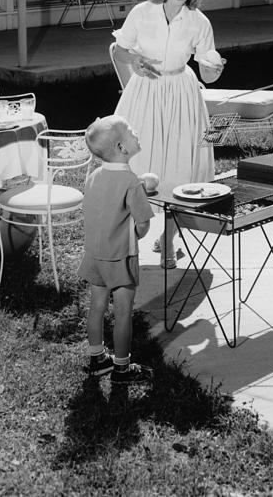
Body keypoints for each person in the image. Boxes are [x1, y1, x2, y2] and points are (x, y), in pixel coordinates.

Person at [111, 0, 225, 267]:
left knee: (180, 164)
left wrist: (215, 67)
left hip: (182, 93)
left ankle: (169, 240)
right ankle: (128, 239)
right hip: (145, 91)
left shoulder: (198, 21)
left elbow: (208, 73)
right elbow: (120, 50)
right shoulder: (142, 12)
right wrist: (134, 61)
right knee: (136, 162)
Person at [79, 115, 155, 384]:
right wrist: (134, 233)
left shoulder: (94, 176)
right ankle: (122, 368)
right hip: (121, 257)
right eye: (132, 132)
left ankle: (97, 359)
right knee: (123, 311)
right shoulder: (131, 182)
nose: (136, 134)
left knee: (97, 306)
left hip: (95, 254)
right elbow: (144, 225)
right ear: (123, 148)